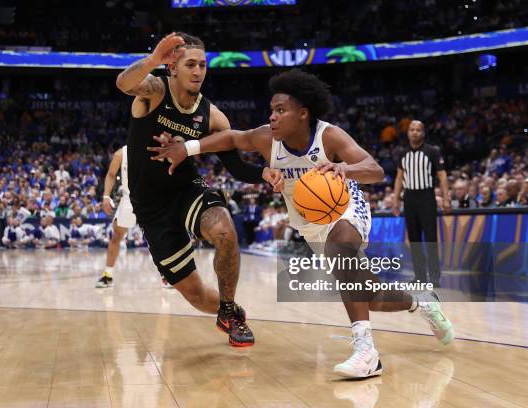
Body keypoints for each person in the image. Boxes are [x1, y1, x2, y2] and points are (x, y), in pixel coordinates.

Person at [149, 69, 454, 377]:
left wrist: (343, 169)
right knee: (370, 296)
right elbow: (231, 138)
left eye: (281, 110)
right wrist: (186, 148)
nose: (272, 117)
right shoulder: (267, 140)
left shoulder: (328, 136)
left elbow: (374, 170)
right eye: (271, 110)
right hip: (311, 225)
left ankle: (367, 352)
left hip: (346, 209)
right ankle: (421, 302)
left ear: (303, 114)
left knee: (339, 249)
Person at [116, 32, 282, 347]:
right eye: (190, 64)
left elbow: (234, 163)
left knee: (224, 230)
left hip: (186, 189)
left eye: (203, 65)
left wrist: (263, 173)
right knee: (196, 296)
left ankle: (229, 311)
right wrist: (152, 60)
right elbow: (123, 83)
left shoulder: (212, 115)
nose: (198, 71)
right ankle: (225, 309)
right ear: (172, 68)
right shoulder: (153, 91)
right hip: (151, 208)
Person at [393, 121, 450, 286]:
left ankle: (434, 278)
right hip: (409, 198)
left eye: (418, 130)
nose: (415, 132)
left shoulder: (432, 151)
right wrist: (396, 199)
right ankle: (419, 277)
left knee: (431, 238)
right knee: (414, 239)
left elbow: (442, 175)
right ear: (408, 132)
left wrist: (446, 198)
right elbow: (399, 178)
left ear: (423, 133)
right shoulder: (403, 153)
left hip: (427, 197)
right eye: (412, 130)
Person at [96, 145, 137, 288]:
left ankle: (166, 277)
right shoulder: (121, 153)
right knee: (116, 235)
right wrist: (106, 196)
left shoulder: (156, 147)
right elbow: (111, 174)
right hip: (129, 198)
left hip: (151, 197)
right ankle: (108, 275)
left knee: (158, 236)